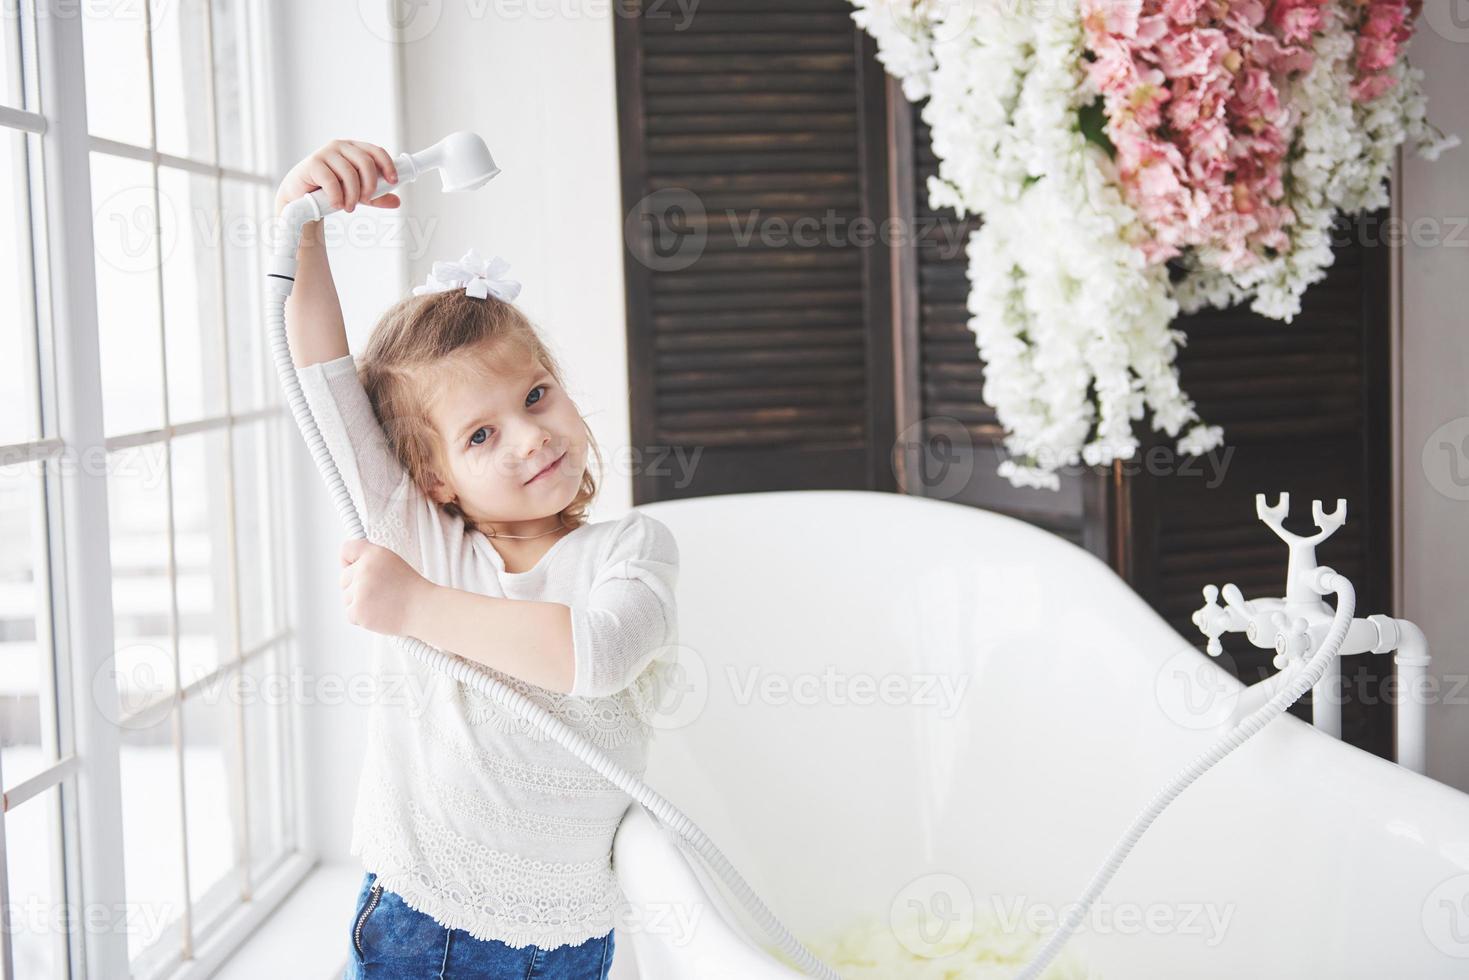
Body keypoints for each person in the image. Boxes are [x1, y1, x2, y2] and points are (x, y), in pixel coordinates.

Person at [274, 138, 679, 979]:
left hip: (568, 937)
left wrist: (414, 606)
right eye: (482, 434)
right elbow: (318, 379)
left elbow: (596, 656)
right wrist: (301, 220)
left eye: (536, 395)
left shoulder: (631, 549)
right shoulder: (421, 535)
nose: (531, 437)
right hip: (420, 917)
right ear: (435, 476)